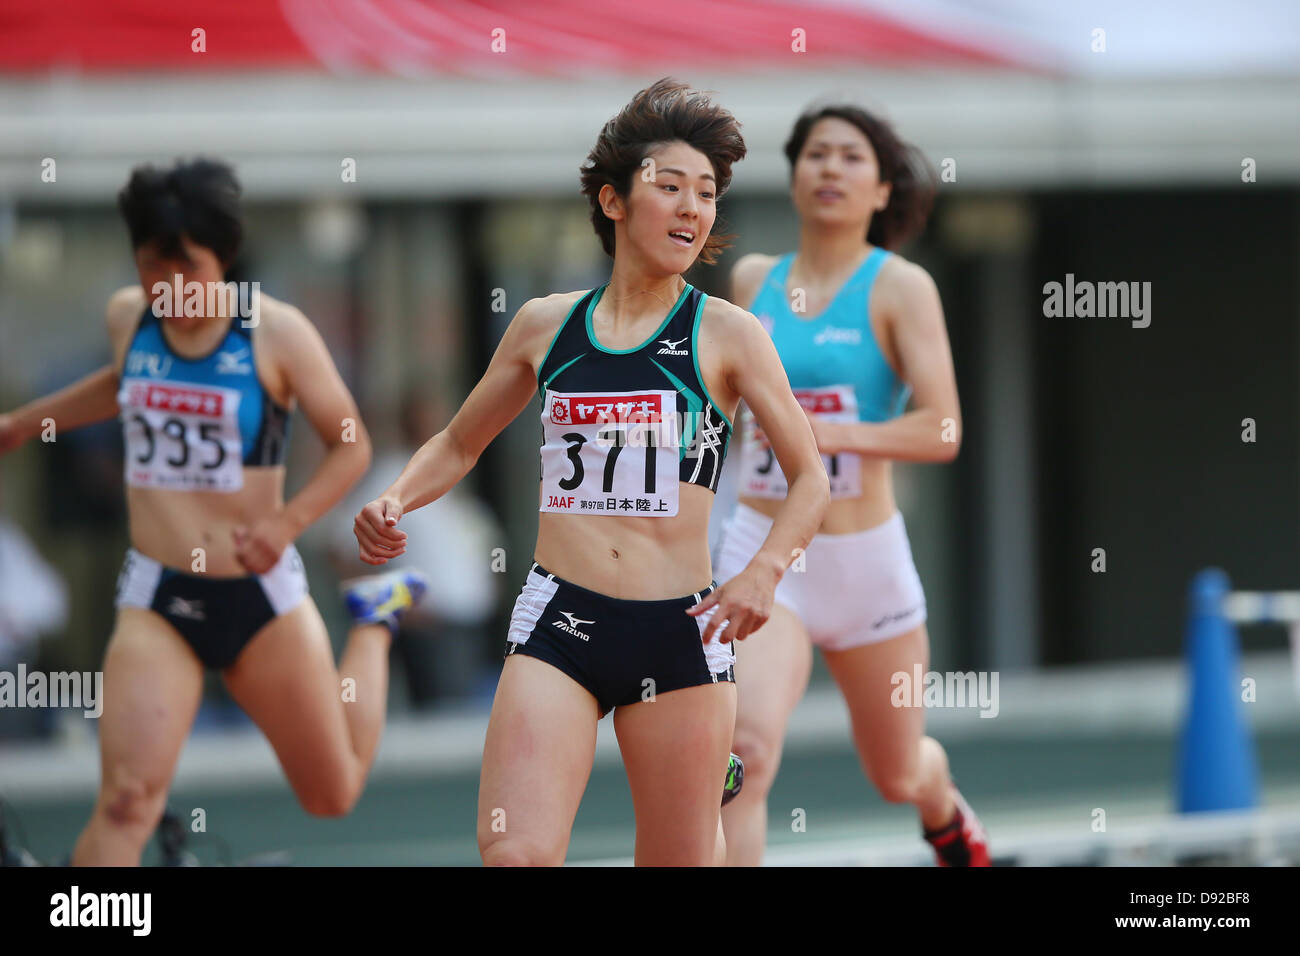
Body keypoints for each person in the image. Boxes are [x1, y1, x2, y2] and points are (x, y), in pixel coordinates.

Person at [354, 78, 830, 866]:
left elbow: (809, 476)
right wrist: (395, 498)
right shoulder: (546, 325)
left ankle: (712, 784)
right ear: (612, 201)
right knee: (513, 854)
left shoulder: (729, 336)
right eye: (669, 186)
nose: (691, 208)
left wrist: (764, 574)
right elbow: (458, 442)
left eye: (706, 193)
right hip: (560, 620)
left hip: (680, 632)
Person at [0, 158, 426, 865]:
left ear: (223, 258)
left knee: (333, 793)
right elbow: (126, 383)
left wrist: (286, 524)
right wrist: (24, 423)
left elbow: (351, 445)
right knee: (129, 800)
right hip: (160, 595)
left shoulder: (275, 335)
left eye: (186, 270)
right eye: (150, 269)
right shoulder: (126, 320)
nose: (168, 290)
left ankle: (376, 622)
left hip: (259, 595)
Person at [715, 103, 990, 866]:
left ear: (880, 191)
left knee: (898, 773)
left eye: (850, 158)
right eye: (815, 155)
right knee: (744, 753)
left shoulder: (901, 288)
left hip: (865, 563)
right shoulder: (748, 279)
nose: (829, 168)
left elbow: (943, 429)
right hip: (765, 553)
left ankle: (944, 806)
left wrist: (827, 435)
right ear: (794, 176)